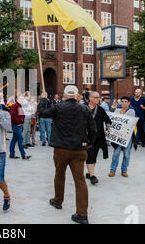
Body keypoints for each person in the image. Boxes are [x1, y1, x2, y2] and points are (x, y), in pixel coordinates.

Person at [39, 86, 96, 225]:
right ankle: (82, 214)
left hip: (61, 148)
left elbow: (42, 113)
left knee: (59, 174)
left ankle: (58, 201)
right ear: (77, 95)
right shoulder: (85, 109)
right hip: (79, 148)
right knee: (80, 180)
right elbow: (93, 129)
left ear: (64, 95)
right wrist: (89, 143)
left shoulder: (59, 108)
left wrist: (43, 98)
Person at [85, 92, 112, 185]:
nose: (98, 99)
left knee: (94, 156)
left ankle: (89, 173)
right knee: (89, 156)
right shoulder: (83, 108)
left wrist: (107, 129)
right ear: (90, 98)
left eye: (98, 97)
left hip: (98, 137)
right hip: (86, 137)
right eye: (96, 97)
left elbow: (108, 121)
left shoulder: (100, 109)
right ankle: (92, 176)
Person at [108, 97, 136, 178]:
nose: (123, 103)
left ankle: (124, 170)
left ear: (129, 103)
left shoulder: (131, 111)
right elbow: (113, 122)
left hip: (127, 136)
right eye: (122, 102)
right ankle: (112, 170)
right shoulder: (116, 110)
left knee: (126, 154)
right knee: (116, 153)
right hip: (117, 136)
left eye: (125, 101)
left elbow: (129, 123)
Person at [9, 95, 31, 160]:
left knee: (14, 140)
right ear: (17, 99)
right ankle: (23, 155)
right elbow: (13, 116)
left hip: (19, 125)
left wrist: (22, 121)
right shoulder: (14, 106)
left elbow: (22, 115)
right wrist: (19, 122)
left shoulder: (19, 106)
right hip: (16, 125)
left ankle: (12, 154)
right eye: (21, 99)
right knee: (20, 140)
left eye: (22, 99)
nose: (22, 100)